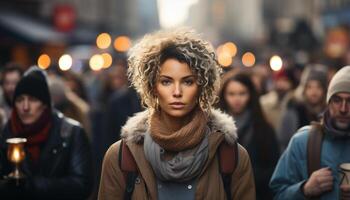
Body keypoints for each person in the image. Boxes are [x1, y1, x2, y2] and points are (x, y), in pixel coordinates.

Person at [98, 28, 255, 200]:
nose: (177, 91)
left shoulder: (232, 156)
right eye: (166, 81)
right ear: (153, 87)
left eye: (188, 81)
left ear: (202, 86)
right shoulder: (121, 156)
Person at [0, 67, 93, 199]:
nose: (25, 107)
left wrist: (34, 186)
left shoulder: (70, 132)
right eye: (20, 100)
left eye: (32, 99)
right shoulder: (9, 131)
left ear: (44, 104)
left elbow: (82, 184)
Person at [270, 66, 350, 199]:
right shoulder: (303, 141)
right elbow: (278, 193)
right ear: (328, 102)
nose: (343, 108)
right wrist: (304, 189)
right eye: (336, 100)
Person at [217, 69, 280, 200]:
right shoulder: (213, 127)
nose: (237, 99)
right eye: (231, 94)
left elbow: (274, 169)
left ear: (250, 94)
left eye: (242, 93)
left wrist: (248, 175)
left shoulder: (264, 129)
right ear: (224, 95)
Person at [278, 64, 328, 151]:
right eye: (309, 87)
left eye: (318, 87)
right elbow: (284, 143)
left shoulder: (328, 112)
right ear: (304, 89)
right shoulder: (293, 109)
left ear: (324, 90)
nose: (314, 91)